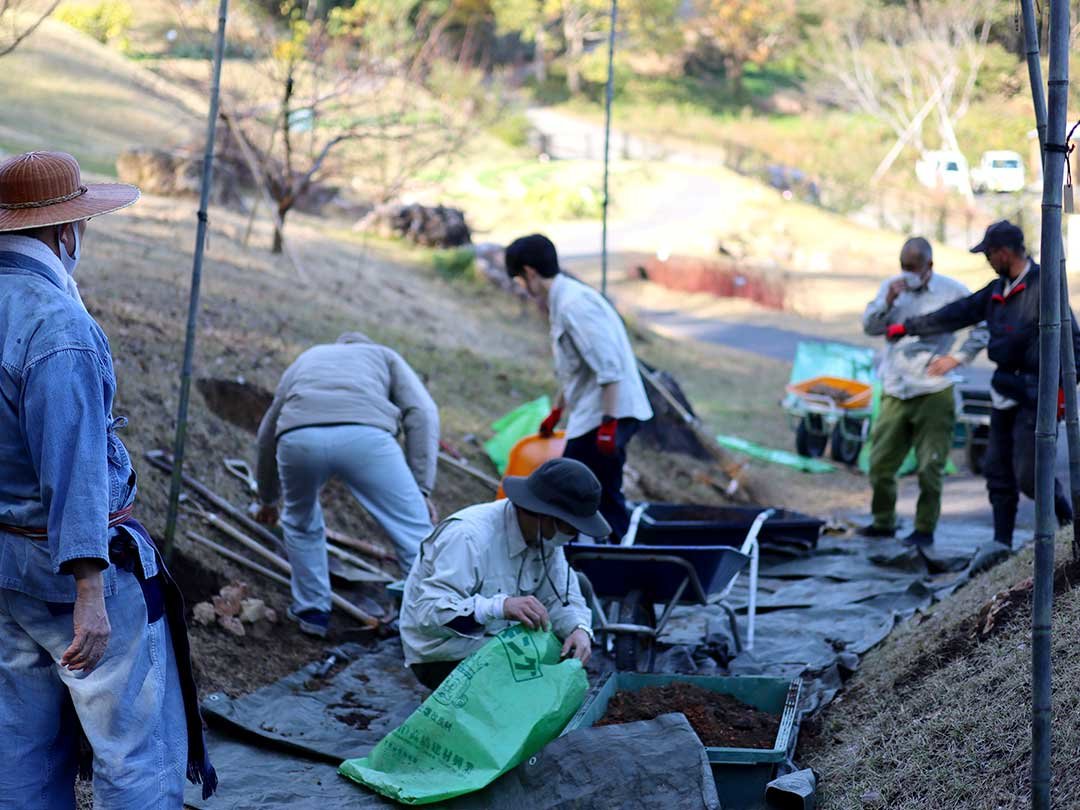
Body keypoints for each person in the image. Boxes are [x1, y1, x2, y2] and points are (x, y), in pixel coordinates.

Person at [0, 151, 215, 807]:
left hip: (6, 566)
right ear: (67, 232)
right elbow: (73, 465)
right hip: (70, 575)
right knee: (134, 749)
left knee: (21, 747)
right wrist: (90, 586)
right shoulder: (54, 324)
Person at [889, 220, 1079, 548]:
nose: (987, 260)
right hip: (1004, 389)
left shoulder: (1044, 287)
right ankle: (1000, 544)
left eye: (989, 253)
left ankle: (1067, 527)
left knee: (1030, 477)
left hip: (1036, 395)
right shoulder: (995, 291)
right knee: (997, 472)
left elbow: (1074, 343)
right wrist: (908, 327)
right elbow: (957, 313)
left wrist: (1063, 391)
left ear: (1004, 253)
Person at [255, 332, 439, 637]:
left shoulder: (309, 356)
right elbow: (422, 412)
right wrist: (421, 489)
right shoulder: (383, 354)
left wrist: (268, 499)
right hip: (366, 439)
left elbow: (268, 430)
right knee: (414, 533)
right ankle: (424, 621)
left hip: (299, 438)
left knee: (299, 521)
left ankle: (311, 612)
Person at [400, 458, 603, 690]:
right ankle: (442, 699)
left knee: (581, 584)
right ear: (545, 516)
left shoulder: (545, 538)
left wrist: (579, 629)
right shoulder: (468, 536)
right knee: (528, 698)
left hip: (503, 642)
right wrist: (500, 607)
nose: (573, 535)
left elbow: (563, 596)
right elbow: (427, 615)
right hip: (446, 653)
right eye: (571, 528)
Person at [505, 234, 653, 541]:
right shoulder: (562, 301)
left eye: (519, 279)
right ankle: (600, 553)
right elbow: (577, 370)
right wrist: (558, 411)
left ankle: (611, 558)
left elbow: (609, 366)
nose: (522, 287)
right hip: (593, 411)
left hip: (610, 413)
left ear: (530, 272)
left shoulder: (575, 305)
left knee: (577, 489)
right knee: (591, 490)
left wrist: (609, 425)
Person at [860, 237, 988, 547]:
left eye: (913, 268)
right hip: (896, 386)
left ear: (929, 266)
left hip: (933, 389)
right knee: (881, 463)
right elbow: (870, 327)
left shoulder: (952, 291)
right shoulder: (891, 288)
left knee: (931, 465)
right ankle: (883, 521)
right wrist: (887, 302)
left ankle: (924, 528)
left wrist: (958, 358)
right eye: (903, 267)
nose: (907, 274)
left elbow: (984, 325)